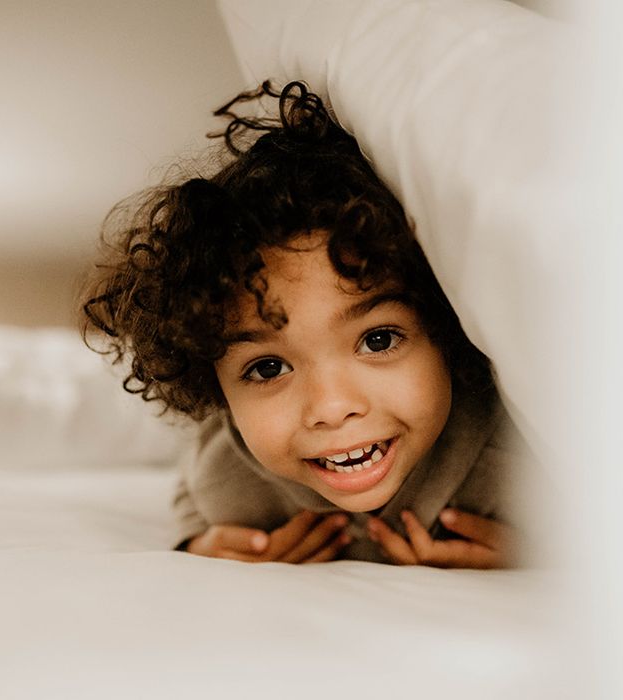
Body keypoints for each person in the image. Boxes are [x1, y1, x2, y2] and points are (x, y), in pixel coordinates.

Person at [82, 81, 526, 568]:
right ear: (217, 395)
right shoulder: (234, 479)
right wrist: (197, 542)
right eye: (268, 368)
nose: (332, 409)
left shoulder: (517, 460)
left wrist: (544, 554)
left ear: (444, 330)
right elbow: (193, 481)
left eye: (378, 340)